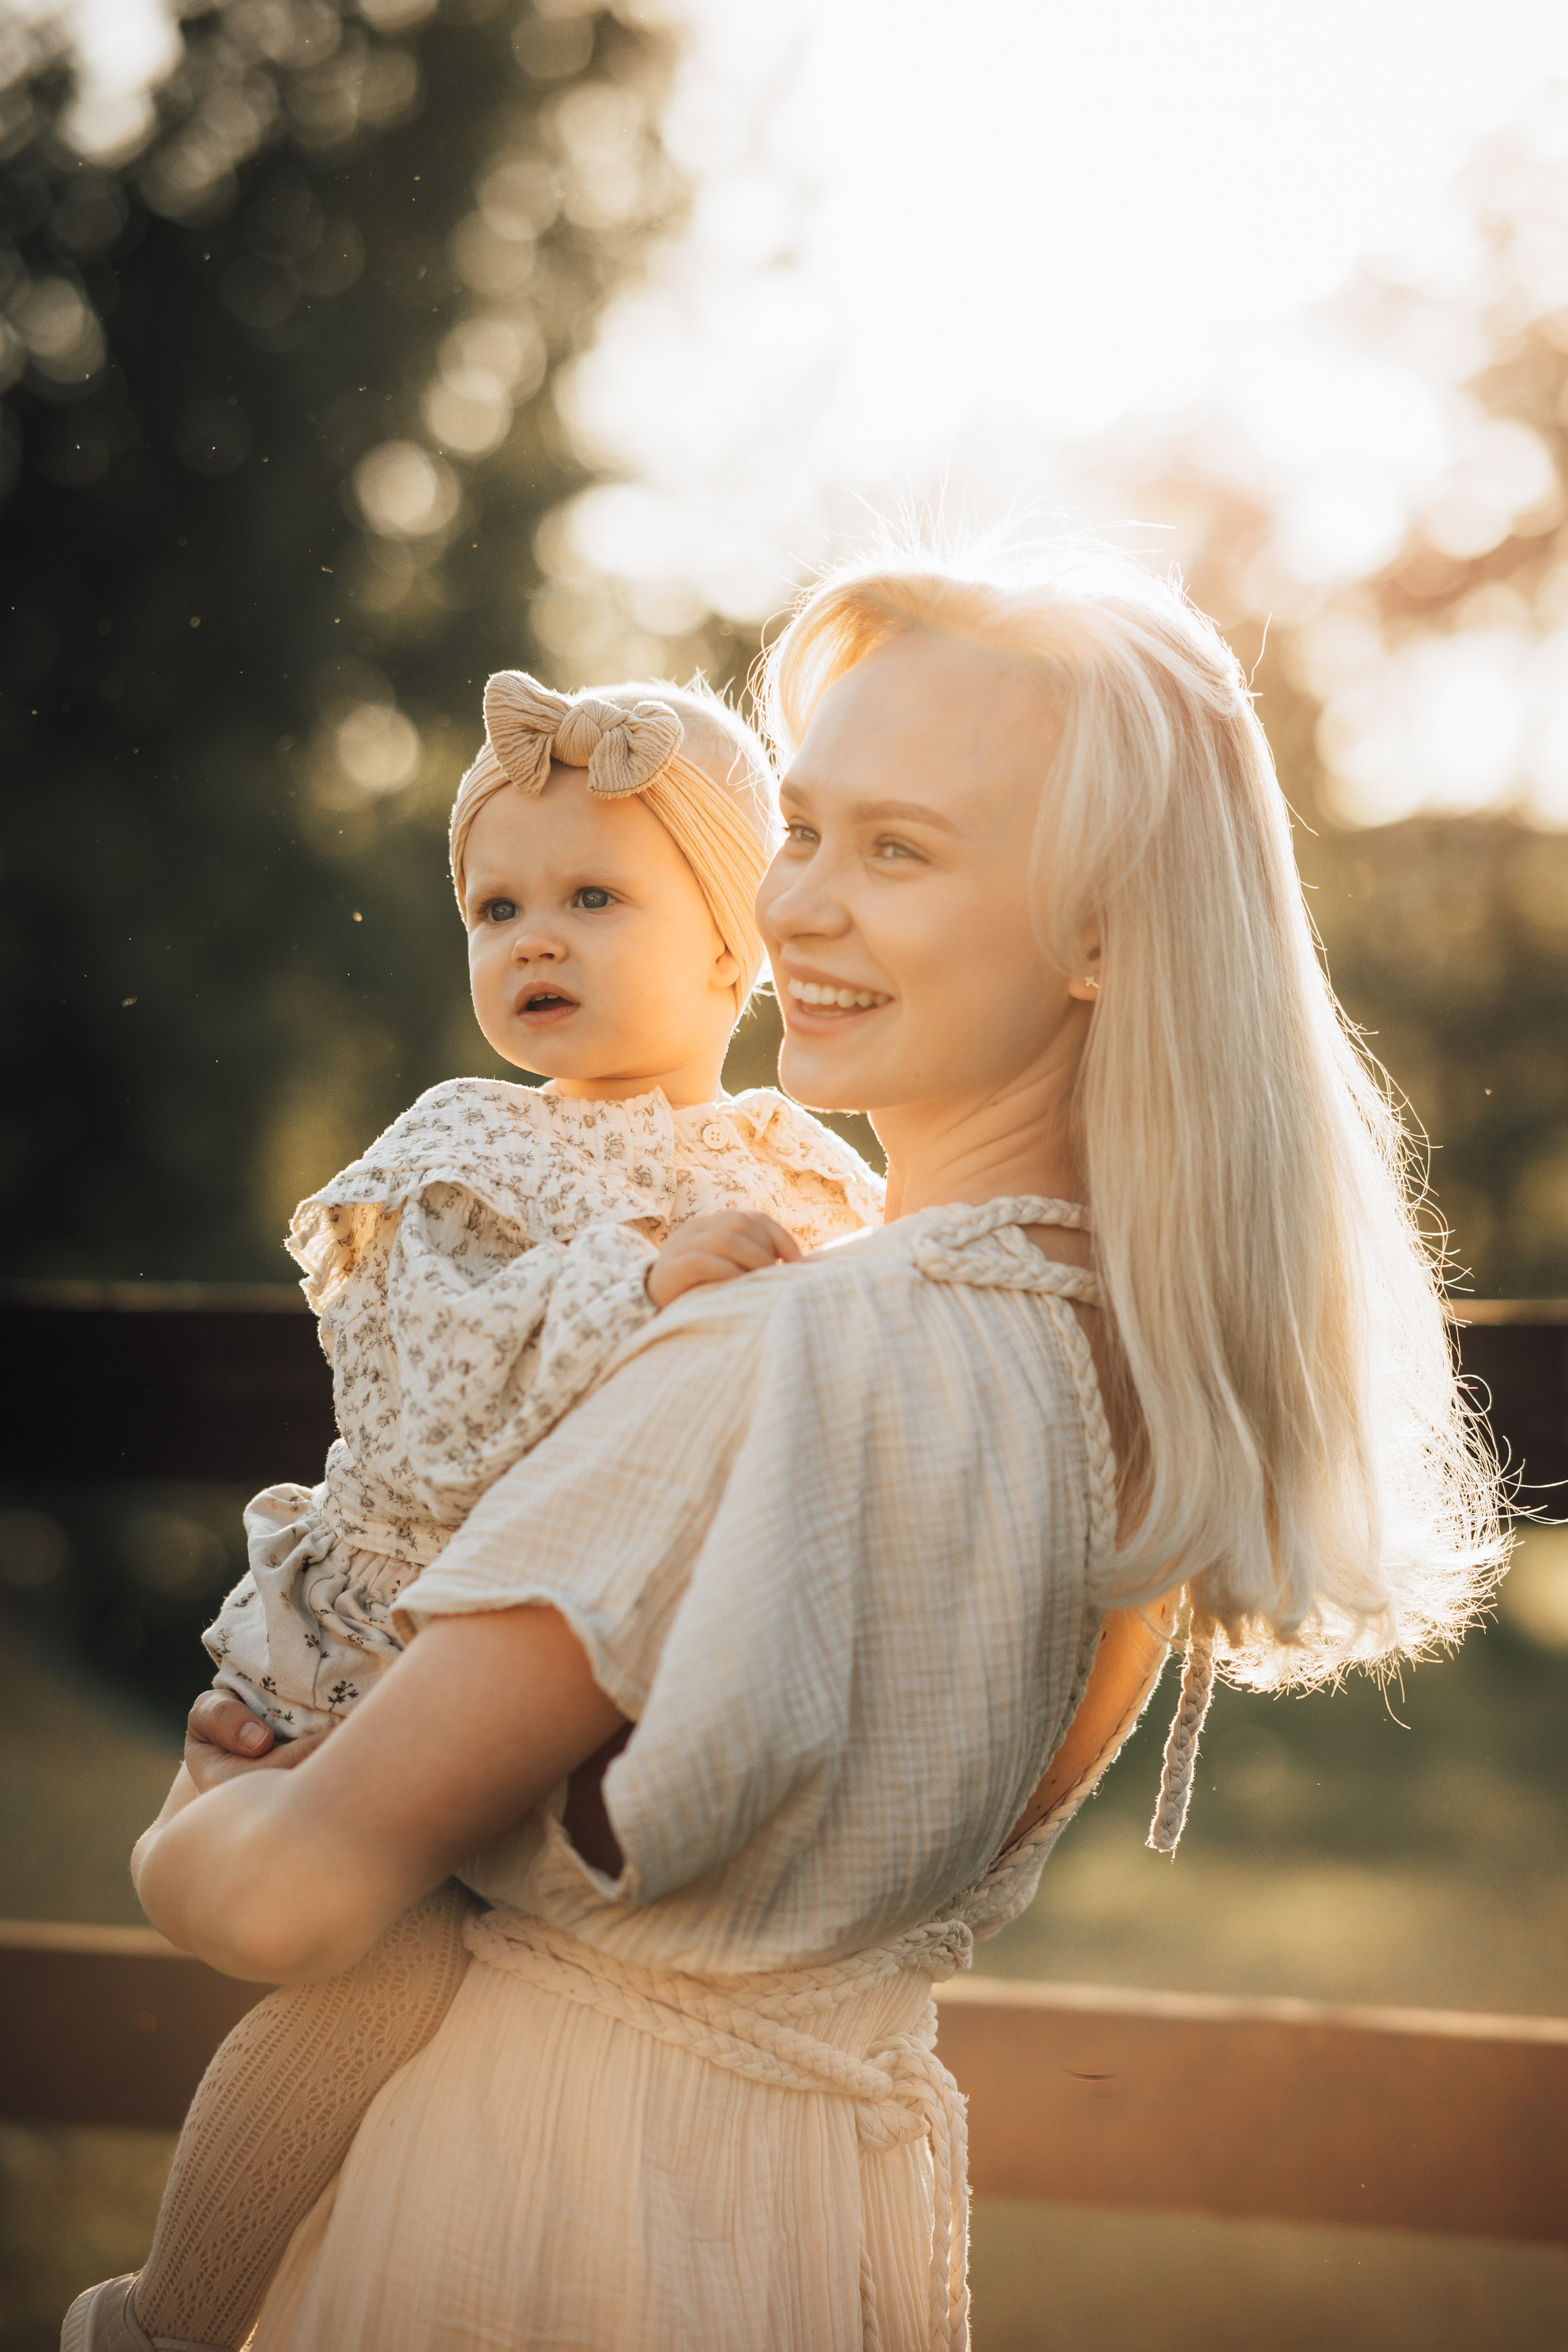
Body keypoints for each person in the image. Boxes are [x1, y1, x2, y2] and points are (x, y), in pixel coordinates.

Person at [124, 548, 1501, 2352]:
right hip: (806, 2222)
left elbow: (301, 1897)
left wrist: (201, 1823)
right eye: (807, 833)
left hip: (541, 2218)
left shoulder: (769, 1359)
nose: (797, 914)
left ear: (1100, 932)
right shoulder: (1135, 1369)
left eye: (900, 851)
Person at [63, 670, 882, 2352]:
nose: (535, 939)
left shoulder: (803, 1172)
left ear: (740, 944)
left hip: (607, 1677)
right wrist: (641, 1278)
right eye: (497, 906)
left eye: (595, 897)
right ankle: (160, 2318)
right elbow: (429, 1409)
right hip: (386, 1657)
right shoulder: (469, 1147)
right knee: (394, 1977)